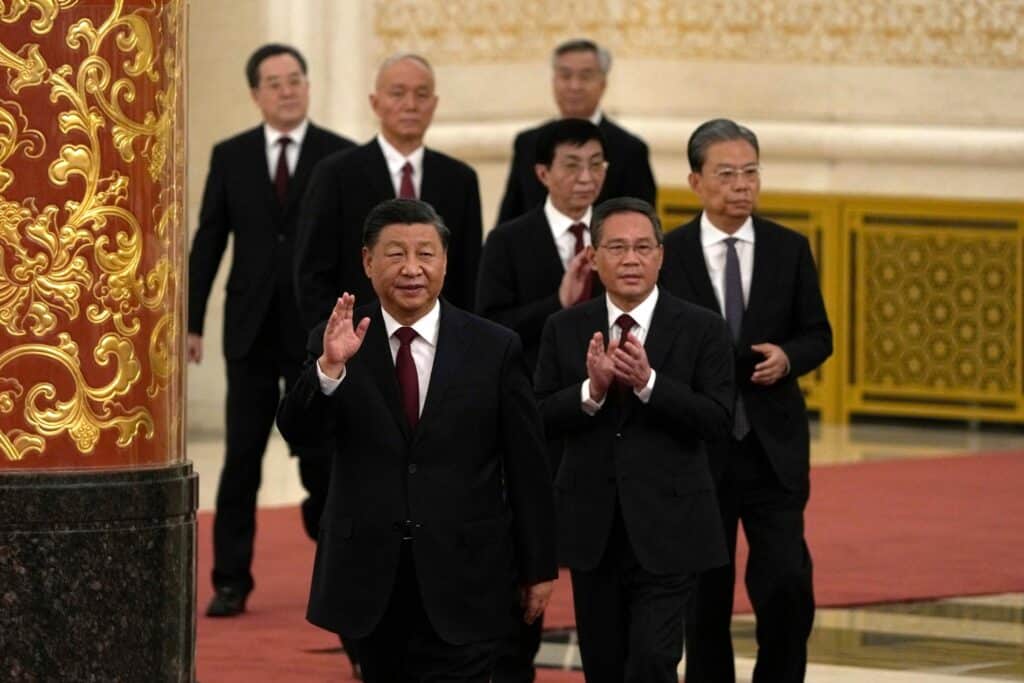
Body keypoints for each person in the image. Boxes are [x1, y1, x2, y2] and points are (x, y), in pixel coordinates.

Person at [277, 199, 557, 683]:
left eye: (425, 254)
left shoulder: (494, 347)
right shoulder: (336, 340)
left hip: (466, 571)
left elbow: (527, 467)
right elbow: (300, 432)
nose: (412, 269)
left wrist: (538, 567)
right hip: (371, 575)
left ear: (445, 261)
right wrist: (329, 370)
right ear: (367, 261)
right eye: (395, 254)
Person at [660, 118, 833, 683]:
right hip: (699, 450)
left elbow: (819, 334)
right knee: (705, 594)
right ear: (695, 180)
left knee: (786, 583)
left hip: (772, 449)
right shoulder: (670, 253)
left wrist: (788, 356)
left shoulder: (789, 248)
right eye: (727, 173)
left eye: (751, 172)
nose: (742, 185)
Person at [534, 197, 733, 682]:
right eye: (617, 248)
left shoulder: (702, 327)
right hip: (593, 526)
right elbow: (536, 417)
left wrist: (650, 385)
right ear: (593, 258)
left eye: (643, 247)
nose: (631, 259)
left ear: (661, 256)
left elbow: (718, 419)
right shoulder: (565, 328)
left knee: (652, 659)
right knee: (604, 666)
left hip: (672, 526)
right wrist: (591, 391)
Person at [187, 43, 354, 619]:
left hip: (317, 333)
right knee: (242, 459)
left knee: (324, 457)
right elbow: (210, 240)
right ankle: (231, 579)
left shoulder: (340, 156)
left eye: (296, 80)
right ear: (256, 93)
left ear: (308, 87)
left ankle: (338, 564)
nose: (287, 90)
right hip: (250, 330)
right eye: (274, 82)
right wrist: (191, 321)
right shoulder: (230, 156)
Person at [476, 117, 606, 682]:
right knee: (528, 561)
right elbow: (489, 327)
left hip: (606, 426)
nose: (586, 178)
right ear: (542, 173)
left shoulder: (623, 236)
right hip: (531, 423)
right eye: (572, 165)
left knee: (601, 568)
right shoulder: (509, 241)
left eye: (596, 164)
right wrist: (556, 301)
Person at [294, 53, 482, 331]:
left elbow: (468, 274)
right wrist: (332, 336)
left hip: (440, 346)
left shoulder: (460, 179)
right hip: (356, 339)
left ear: (434, 104)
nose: (410, 104)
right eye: (398, 93)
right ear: (375, 102)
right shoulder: (336, 174)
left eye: (421, 94)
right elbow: (312, 273)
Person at [495, 39, 656, 225]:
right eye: (565, 76)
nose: (574, 86)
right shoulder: (527, 143)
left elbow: (643, 226)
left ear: (603, 84)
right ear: (553, 81)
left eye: (585, 77)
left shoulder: (630, 150)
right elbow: (508, 220)